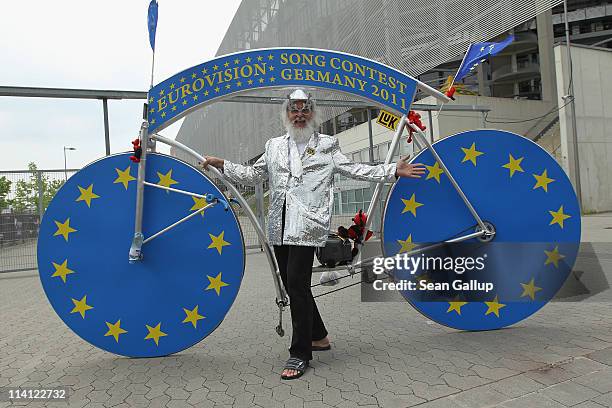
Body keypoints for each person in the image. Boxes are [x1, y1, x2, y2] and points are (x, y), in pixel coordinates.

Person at [203, 89, 425, 380]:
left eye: (305, 110)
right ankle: (319, 336)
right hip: (279, 226)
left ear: (313, 114)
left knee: (296, 284)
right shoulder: (273, 146)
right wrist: (224, 165)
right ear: (286, 113)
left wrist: (392, 170)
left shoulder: (328, 145)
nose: (299, 115)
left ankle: (300, 353)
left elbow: (355, 169)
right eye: (294, 110)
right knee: (293, 285)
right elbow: (253, 175)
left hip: (307, 225)